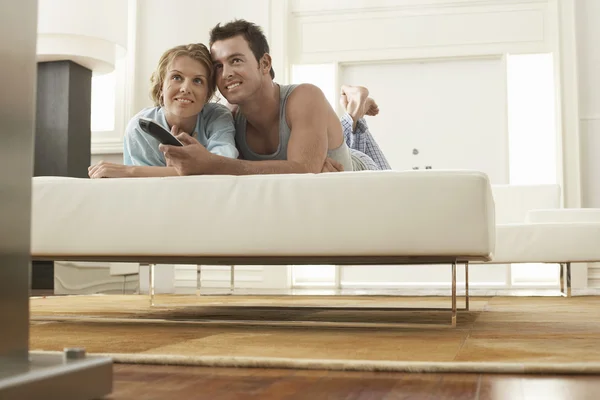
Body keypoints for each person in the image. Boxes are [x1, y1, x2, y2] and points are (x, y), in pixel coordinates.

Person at [160, 19, 391, 176]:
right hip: (323, 139)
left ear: (265, 63)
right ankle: (351, 110)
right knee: (341, 127)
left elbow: (303, 172)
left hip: (358, 165)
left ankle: (354, 105)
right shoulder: (229, 116)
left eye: (236, 60)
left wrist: (213, 164)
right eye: (218, 66)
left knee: (353, 131)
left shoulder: (305, 96)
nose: (227, 73)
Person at [88, 43, 239, 179]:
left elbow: (225, 166)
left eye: (198, 81)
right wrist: (194, 168)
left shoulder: (218, 117)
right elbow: (148, 190)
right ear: (161, 87)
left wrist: (130, 171)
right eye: (177, 77)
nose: (185, 88)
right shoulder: (139, 129)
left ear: (207, 94)